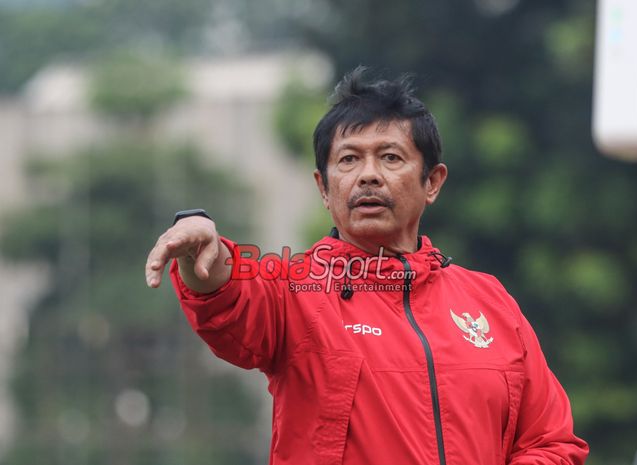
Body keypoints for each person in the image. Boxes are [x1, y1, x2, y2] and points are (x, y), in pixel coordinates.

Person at [145, 67, 589, 465]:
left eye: (391, 158)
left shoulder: (488, 301)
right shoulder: (295, 291)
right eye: (349, 159)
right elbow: (232, 301)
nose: (368, 175)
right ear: (324, 187)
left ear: (432, 182)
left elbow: (552, 444)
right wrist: (205, 249)